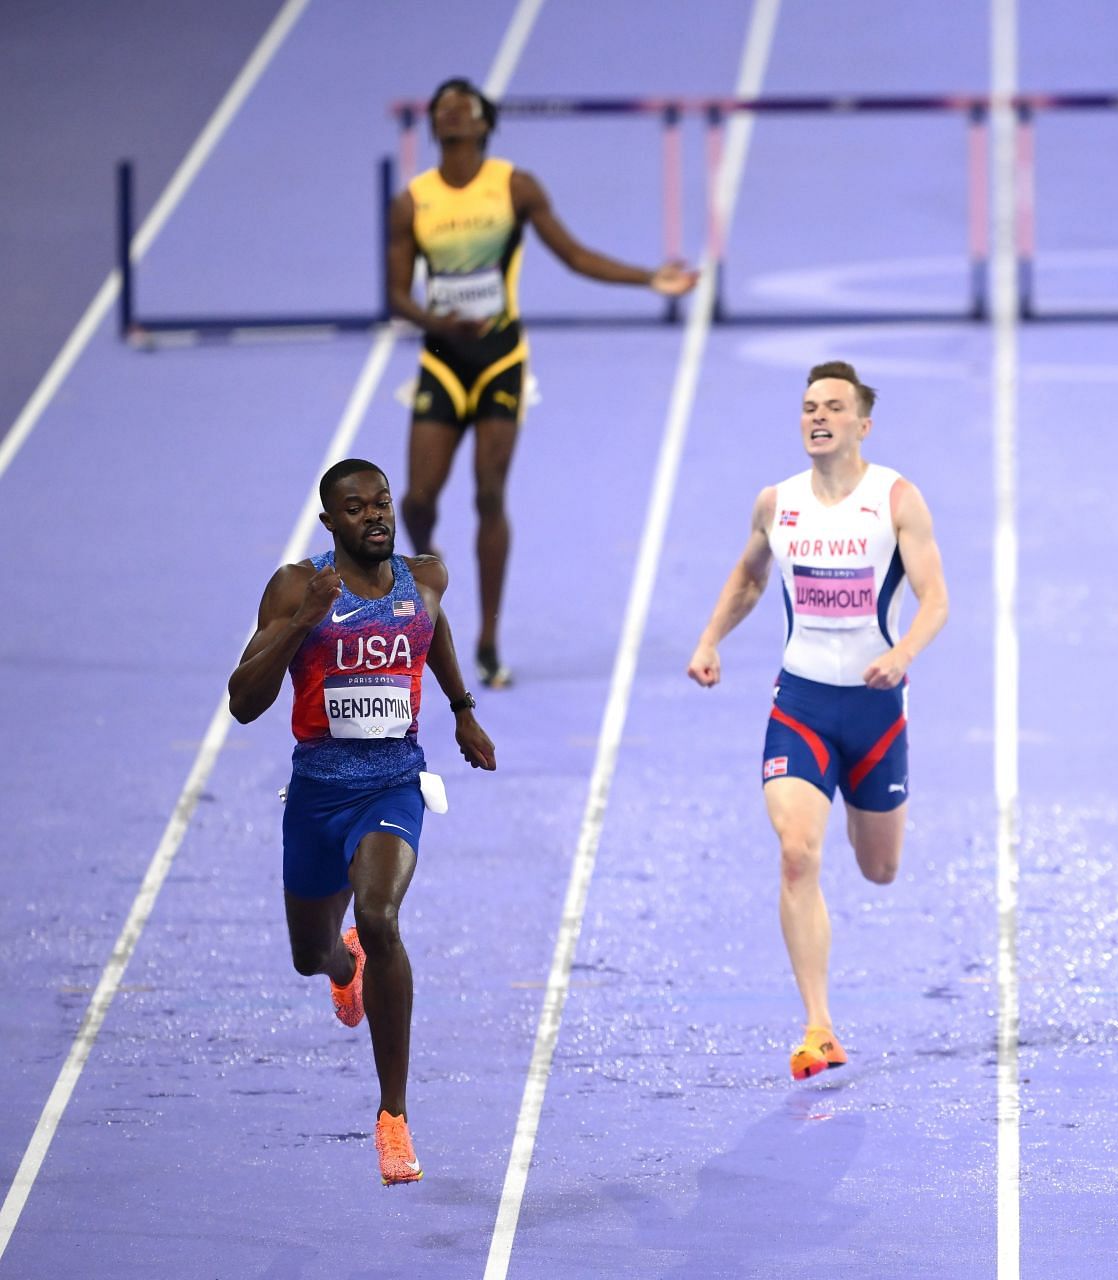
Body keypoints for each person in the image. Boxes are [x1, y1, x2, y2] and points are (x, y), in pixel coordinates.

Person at [228, 458, 496, 1184]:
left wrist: (462, 710)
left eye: (382, 504)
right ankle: (342, 968)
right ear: (330, 523)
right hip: (316, 796)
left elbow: (427, 628)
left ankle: (393, 1117)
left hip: (392, 786)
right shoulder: (294, 587)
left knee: (381, 917)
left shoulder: (426, 576)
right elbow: (243, 700)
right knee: (310, 954)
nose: (375, 516)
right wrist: (302, 623)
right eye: (356, 509)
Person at [686, 361, 950, 1080]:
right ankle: (818, 1027)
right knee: (798, 851)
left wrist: (902, 654)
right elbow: (748, 577)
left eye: (833, 406)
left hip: (875, 710)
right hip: (800, 705)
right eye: (808, 407)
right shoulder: (779, 502)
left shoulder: (896, 499)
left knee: (879, 868)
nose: (818, 416)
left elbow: (934, 600)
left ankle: (823, 1015)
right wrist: (710, 640)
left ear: (862, 423)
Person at [388, 76, 698, 689]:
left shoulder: (514, 187)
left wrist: (646, 279)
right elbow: (397, 294)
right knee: (418, 500)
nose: (452, 111)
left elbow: (575, 256)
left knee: (488, 494)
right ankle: (431, 564)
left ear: (483, 123)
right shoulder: (412, 202)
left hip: (501, 359)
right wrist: (437, 319)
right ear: (435, 124)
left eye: (464, 105)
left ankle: (486, 640)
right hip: (444, 359)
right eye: (442, 105)